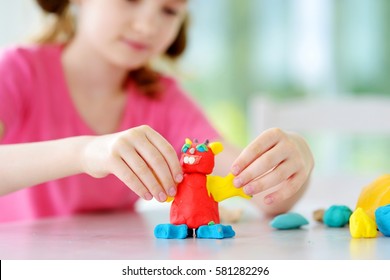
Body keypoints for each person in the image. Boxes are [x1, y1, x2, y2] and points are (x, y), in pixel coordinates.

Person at [0, 0, 314, 223]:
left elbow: (257, 192)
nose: (147, 25)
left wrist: (291, 164)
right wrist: (85, 152)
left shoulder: (163, 100)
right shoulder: (17, 72)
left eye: (169, 9)